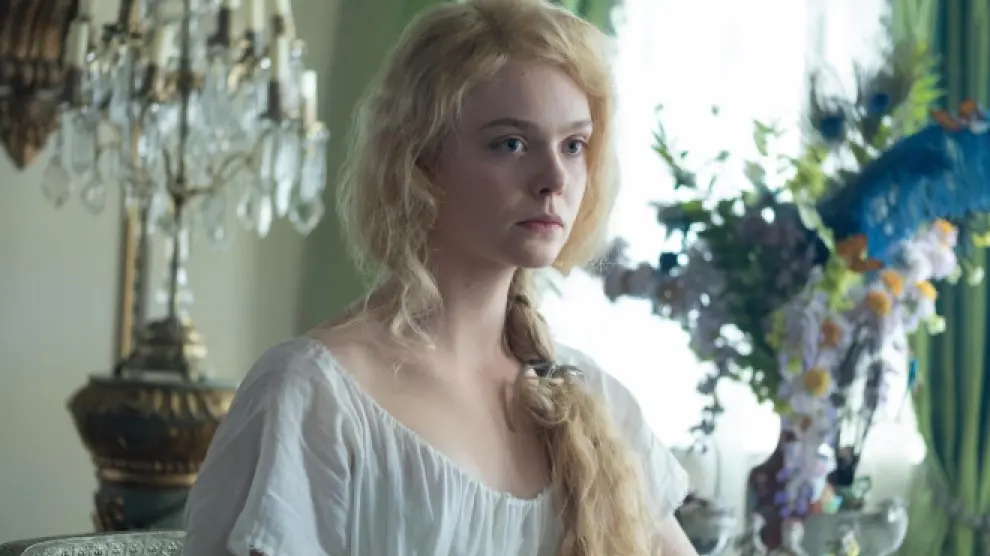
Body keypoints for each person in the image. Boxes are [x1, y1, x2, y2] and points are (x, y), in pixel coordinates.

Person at [182, 0, 697, 554]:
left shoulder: (596, 400)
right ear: (420, 160)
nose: (554, 177)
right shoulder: (315, 395)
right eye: (511, 143)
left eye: (574, 145)